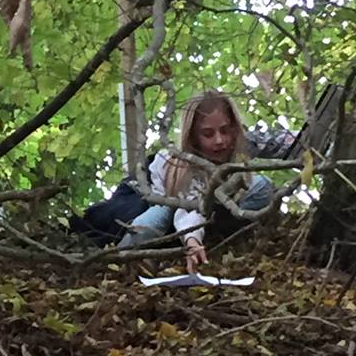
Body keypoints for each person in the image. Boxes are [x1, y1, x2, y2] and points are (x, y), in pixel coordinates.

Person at [116, 91, 275, 272]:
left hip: (216, 215)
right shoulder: (180, 166)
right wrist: (191, 240)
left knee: (261, 184)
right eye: (208, 134)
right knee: (158, 215)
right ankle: (126, 255)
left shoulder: (239, 156)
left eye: (224, 131)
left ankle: (219, 237)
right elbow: (188, 209)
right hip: (169, 216)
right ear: (193, 137)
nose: (219, 140)